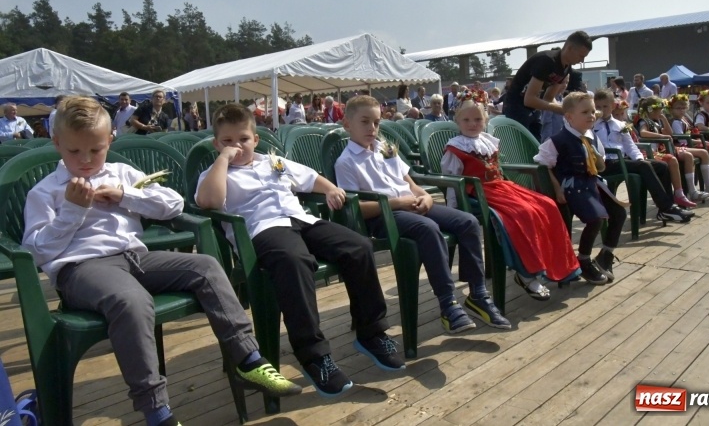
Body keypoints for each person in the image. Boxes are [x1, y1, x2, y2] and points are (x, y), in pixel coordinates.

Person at [22, 96, 301, 426]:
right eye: (74, 152)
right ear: (57, 143)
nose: (85, 160)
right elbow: (38, 250)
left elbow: (174, 205)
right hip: (82, 268)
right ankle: (157, 410)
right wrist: (71, 211)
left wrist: (127, 196)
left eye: (95, 150)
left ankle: (247, 358)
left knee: (206, 267)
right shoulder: (46, 191)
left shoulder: (121, 173)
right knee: (131, 300)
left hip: (135, 258)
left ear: (110, 140)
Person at [195, 103, 403, 398]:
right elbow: (209, 201)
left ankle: (371, 332)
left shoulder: (273, 162)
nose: (237, 146)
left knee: (358, 247)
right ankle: (314, 356)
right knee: (295, 261)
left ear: (255, 139)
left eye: (243, 139)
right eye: (227, 141)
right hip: (263, 229)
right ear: (217, 144)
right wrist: (224, 160)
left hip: (302, 220)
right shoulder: (215, 173)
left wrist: (330, 188)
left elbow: (308, 177)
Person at [336, 95, 511, 334]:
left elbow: (410, 182)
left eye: (376, 122)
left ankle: (478, 293)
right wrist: (398, 202)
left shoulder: (385, 148)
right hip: (384, 216)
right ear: (347, 124)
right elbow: (356, 207)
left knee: (468, 221)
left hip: (411, 203)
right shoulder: (346, 162)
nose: (372, 128)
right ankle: (447, 302)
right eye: (365, 122)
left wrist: (425, 196)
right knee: (428, 229)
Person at [440, 90, 580, 300]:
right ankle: (527, 273)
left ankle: (559, 265)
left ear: (485, 119)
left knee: (547, 204)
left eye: (478, 119)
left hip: (501, 186)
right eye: (466, 120)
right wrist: (453, 209)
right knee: (522, 212)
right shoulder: (456, 147)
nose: (472, 124)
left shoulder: (488, 141)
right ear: (457, 121)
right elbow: (452, 180)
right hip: (477, 192)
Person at [534, 92, 627, 285]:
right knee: (595, 219)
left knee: (618, 213)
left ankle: (605, 255)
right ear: (569, 117)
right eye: (585, 112)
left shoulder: (590, 136)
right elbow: (543, 165)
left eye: (593, 111)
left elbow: (600, 166)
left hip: (591, 181)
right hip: (572, 186)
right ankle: (583, 260)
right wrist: (557, 189)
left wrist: (595, 156)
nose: (592, 115)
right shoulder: (557, 140)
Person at [592, 89, 694, 223]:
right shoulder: (591, 125)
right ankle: (667, 207)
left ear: (612, 106)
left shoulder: (621, 125)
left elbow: (630, 147)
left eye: (605, 106)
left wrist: (640, 159)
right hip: (605, 164)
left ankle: (665, 210)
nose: (602, 110)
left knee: (662, 166)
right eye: (598, 107)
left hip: (622, 161)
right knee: (643, 166)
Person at [504, 31, 593, 141]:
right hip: (516, 108)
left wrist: (568, 110)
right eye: (581, 56)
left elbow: (549, 98)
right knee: (521, 149)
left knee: (537, 149)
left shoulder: (566, 68)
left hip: (533, 111)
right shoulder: (547, 61)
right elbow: (529, 99)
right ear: (569, 48)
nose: (582, 60)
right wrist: (562, 109)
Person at [634, 97, 709, 205]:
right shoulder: (645, 121)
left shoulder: (657, 121)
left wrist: (664, 119)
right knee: (679, 158)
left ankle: (693, 190)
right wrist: (661, 136)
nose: (661, 112)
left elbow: (669, 133)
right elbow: (643, 133)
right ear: (651, 110)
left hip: (665, 148)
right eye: (659, 110)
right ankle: (681, 193)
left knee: (690, 156)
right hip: (654, 151)